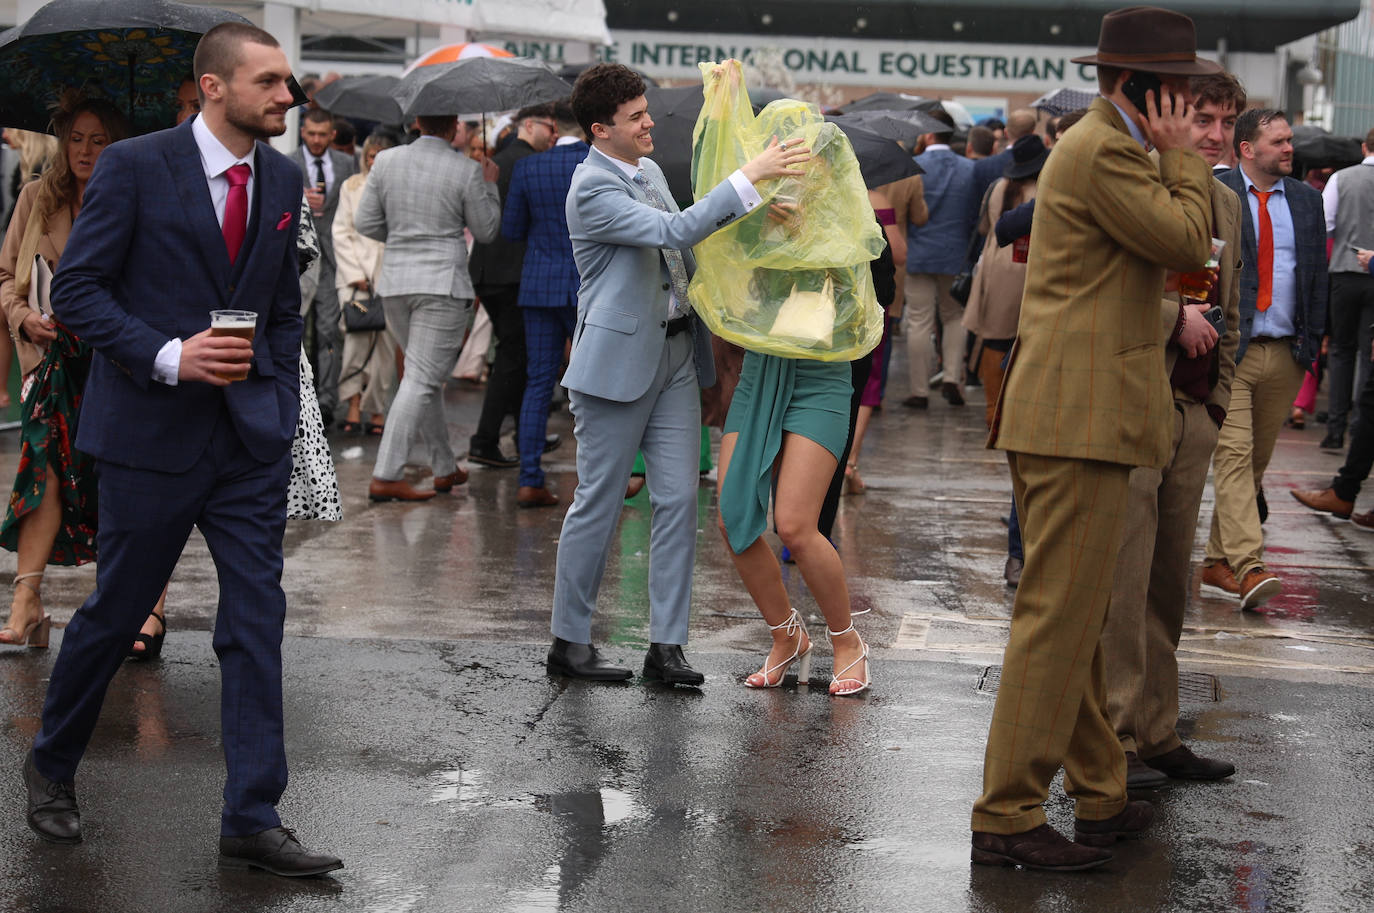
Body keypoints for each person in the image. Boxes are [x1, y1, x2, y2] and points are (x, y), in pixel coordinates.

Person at [21, 22, 341, 876]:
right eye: (271, 83)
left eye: (288, 82)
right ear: (214, 87)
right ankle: (51, 764)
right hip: (148, 435)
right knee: (116, 614)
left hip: (247, 443)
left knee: (255, 619)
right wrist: (172, 355)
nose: (288, 96)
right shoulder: (133, 166)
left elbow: (279, 305)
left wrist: (271, 391)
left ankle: (253, 812)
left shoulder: (279, 177)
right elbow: (81, 291)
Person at [971, 6, 1217, 872]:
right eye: (1180, 93)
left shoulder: (1110, 146)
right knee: (1055, 622)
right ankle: (1006, 813)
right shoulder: (1109, 148)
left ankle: (1103, 796)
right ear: (1138, 88)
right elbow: (1191, 237)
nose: (1189, 112)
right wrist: (1184, 157)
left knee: (1068, 619)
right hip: (1076, 420)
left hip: (1077, 416)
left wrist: (1172, 154)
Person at [546, 62, 807, 684]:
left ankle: (667, 647)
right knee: (599, 504)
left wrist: (755, 216)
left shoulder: (650, 170)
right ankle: (569, 641)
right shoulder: (590, 187)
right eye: (634, 117)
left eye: (645, 111)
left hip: (674, 358)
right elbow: (670, 227)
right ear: (599, 128)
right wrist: (751, 177)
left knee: (678, 502)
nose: (647, 123)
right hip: (614, 365)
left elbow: (686, 246)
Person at [1101, 70, 1246, 791]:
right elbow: (1091, 293)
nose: (1216, 134)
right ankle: (1115, 738)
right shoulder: (1133, 178)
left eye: (1226, 122)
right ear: (1173, 117)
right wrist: (1171, 317)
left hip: (1192, 413)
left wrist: (1216, 407)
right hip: (1131, 403)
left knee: (1166, 582)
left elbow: (1235, 308)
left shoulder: (1226, 200)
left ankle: (1158, 729)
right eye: (1205, 119)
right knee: (1121, 582)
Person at [0, 97, 130, 649]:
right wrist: (24, 316)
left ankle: (129, 603)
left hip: (114, 362)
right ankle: (26, 598)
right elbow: (5, 276)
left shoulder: (132, 197)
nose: (84, 150)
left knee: (115, 480)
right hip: (49, 360)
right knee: (43, 466)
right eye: (76, 138)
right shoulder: (36, 197)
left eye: (98, 140)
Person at [1199, 109, 1326, 608]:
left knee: (1252, 466)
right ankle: (1250, 567)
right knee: (1232, 457)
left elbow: (1316, 274)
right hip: (1234, 350)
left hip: (1288, 351)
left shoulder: (1307, 200)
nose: (1289, 148)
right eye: (1278, 141)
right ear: (1247, 149)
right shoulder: (1218, 192)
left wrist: (1313, 343)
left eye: (1290, 140)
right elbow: (1204, 266)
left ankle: (1214, 562)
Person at [356, 112, 501, 502]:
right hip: (442, 282)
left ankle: (443, 466)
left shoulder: (385, 160)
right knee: (421, 378)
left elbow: (365, 222)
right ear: (454, 126)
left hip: (397, 280)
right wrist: (490, 186)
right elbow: (486, 230)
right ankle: (387, 473)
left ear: (418, 120)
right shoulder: (467, 169)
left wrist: (405, 237)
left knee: (422, 375)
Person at [961, 134, 1049, 589]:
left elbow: (987, 228)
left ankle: (996, 418)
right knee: (1013, 350)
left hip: (996, 267)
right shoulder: (1046, 189)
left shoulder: (999, 187)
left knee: (995, 351)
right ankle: (1002, 419)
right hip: (1027, 277)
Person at [502, 101, 588, 508]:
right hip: (587, 288)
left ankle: (529, 478)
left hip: (538, 286)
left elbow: (512, 229)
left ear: (553, 128)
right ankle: (604, 478)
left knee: (538, 384)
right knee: (596, 386)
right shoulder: (597, 164)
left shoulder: (528, 168)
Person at [467, 103, 558, 468]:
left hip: (487, 272)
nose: (553, 135)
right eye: (548, 128)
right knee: (514, 355)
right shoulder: (524, 163)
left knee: (516, 354)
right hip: (511, 273)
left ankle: (523, 435)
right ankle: (486, 438)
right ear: (529, 125)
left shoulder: (499, 161)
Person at [905, 108, 977, 408]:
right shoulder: (970, 168)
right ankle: (951, 377)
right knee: (955, 317)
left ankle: (919, 391)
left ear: (929, 133)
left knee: (918, 321)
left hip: (919, 252)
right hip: (955, 253)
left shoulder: (912, 165)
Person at [291, 107, 358, 428]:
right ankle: (296, 396)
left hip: (333, 258)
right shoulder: (288, 162)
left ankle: (326, 401)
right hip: (298, 260)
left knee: (329, 330)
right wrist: (298, 199)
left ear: (332, 134)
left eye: (322, 135)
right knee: (297, 330)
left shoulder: (346, 164)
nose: (316, 140)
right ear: (303, 132)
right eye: (311, 134)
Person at [332, 131, 398, 436]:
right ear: (365, 157)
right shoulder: (351, 186)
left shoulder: (398, 188)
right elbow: (340, 231)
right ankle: (353, 404)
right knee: (355, 343)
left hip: (389, 278)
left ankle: (377, 408)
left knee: (385, 348)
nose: (375, 161)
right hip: (355, 277)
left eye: (381, 155)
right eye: (371, 155)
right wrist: (354, 271)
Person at [1319, 127, 1374, 452]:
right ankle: (1361, 428)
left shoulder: (1342, 178)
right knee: (1370, 354)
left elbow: (1325, 222)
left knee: (1340, 350)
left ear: (1365, 146)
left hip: (1344, 270)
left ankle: (1335, 430)